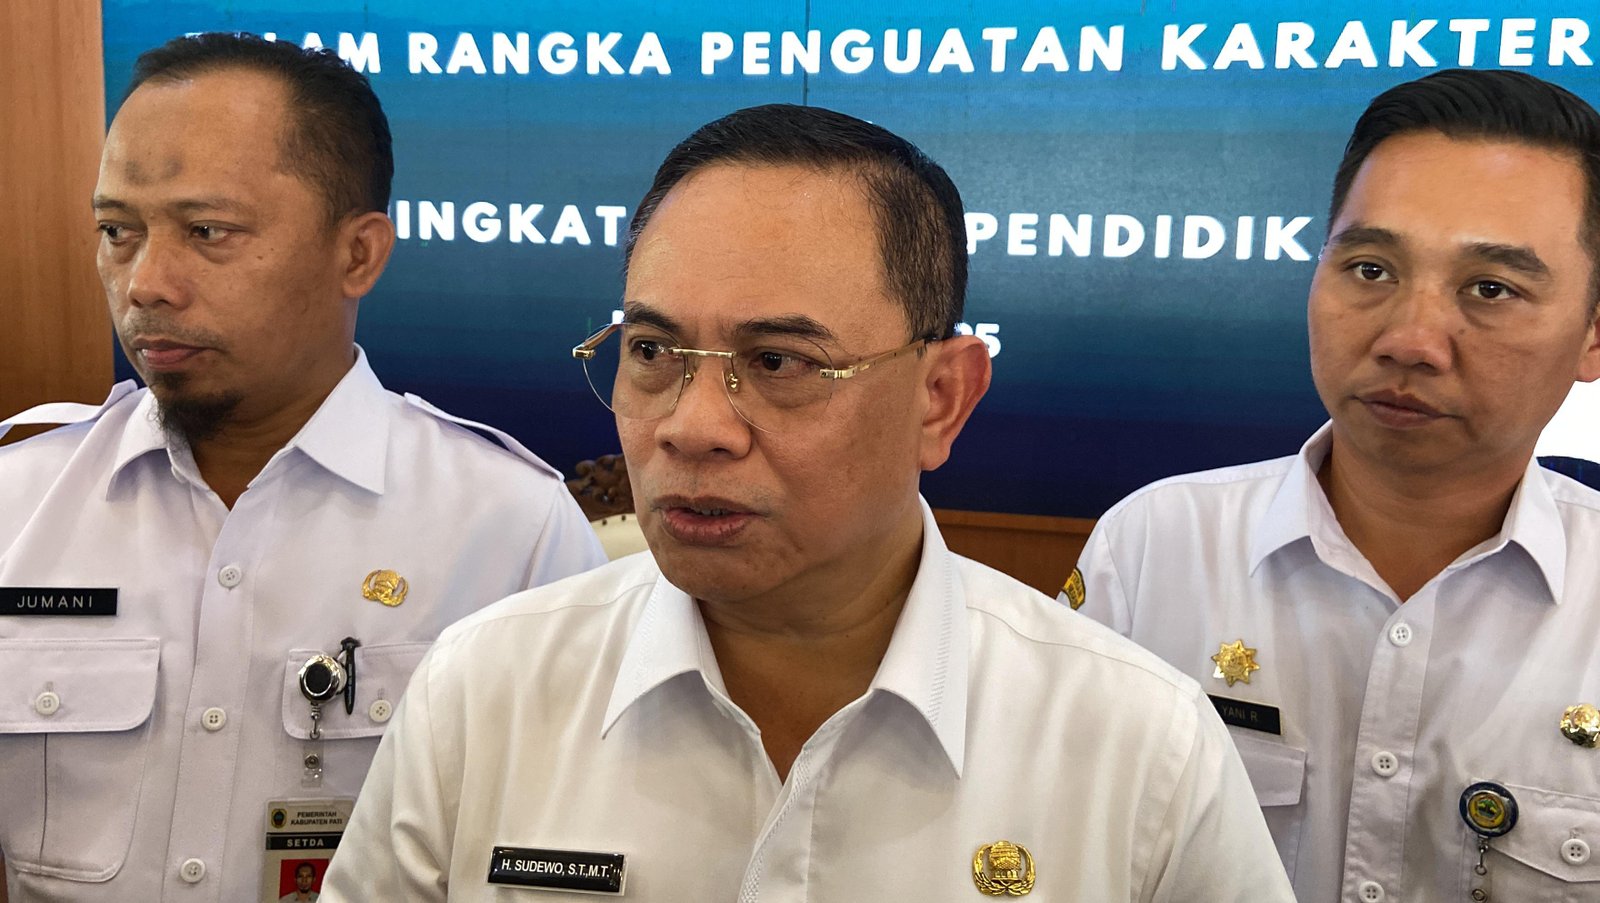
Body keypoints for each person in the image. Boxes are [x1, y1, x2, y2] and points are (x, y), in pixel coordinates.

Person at [322, 103, 1293, 901]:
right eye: (653, 352)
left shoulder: (1139, 747)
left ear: (940, 397)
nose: (693, 427)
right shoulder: (483, 692)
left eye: (779, 362)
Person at [0, 33, 604, 902]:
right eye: (117, 231)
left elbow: (558, 857)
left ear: (358, 254)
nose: (146, 282)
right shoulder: (18, 505)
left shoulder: (511, 532)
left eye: (208, 231)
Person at [1068, 68, 1600, 902]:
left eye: (1490, 289)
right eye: (1371, 269)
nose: (1410, 340)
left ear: (1593, 333)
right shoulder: (1153, 548)